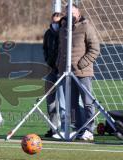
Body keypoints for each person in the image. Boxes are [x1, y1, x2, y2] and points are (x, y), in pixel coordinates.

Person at [57, 4, 100, 140]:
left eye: (73, 13)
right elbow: (60, 49)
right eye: (67, 13)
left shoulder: (86, 26)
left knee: (87, 101)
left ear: (78, 13)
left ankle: (89, 130)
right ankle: (79, 128)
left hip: (83, 72)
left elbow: (95, 49)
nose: (70, 16)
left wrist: (81, 64)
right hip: (66, 73)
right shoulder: (63, 28)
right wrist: (59, 65)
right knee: (71, 104)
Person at [43, 12, 64, 137]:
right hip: (51, 70)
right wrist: (48, 60)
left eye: (58, 22)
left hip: (63, 70)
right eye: (53, 22)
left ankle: (69, 127)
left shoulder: (66, 33)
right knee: (50, 100)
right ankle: (53, 128)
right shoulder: (48, 33)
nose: (55, 24)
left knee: (65, 100)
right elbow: (45, 48)